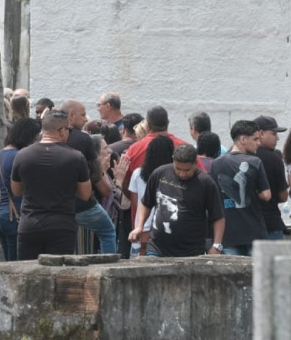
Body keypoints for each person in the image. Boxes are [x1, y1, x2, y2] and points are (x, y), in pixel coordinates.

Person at [11, 110, 91, 259]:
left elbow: (16, 190)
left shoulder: (22, 155)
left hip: (30, 223)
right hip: (62, 225)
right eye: (69, 130)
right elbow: (85, 194)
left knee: (28, 275)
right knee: (59, 276)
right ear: (62, 131)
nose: (69, 134)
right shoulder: (75, 157)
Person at [130, 144, 225, 256]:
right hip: (157, 247)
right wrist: (139, 226)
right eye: (178, 169)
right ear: (173, 159)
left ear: (195, 163)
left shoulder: (206, 183)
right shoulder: (160, 174)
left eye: (187, 170)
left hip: (191, 251)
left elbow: (218, 216)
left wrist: (216, 245)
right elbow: (146, 203)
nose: (182, 174)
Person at [58, 100, 116, 254]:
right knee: (108, 231)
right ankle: (107, 267)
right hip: (82, 203)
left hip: (56, 203)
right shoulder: (84, 139)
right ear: (70, 116)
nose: (85, 119)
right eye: (83, 115)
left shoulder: (47, 139)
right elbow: (96, 173)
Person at [209, 121, 271, 255]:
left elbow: (213, 197)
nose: (258, 143)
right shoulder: (255, 162)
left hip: (228, 233)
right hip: (253, 231)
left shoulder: (216, 164)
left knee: (231, 275)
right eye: (255, 139)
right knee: (257, 274)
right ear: (243, 139)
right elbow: (266, 195)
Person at [0, 118, 39, 261]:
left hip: (2, 215)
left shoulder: (0, 154)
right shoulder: (19, 156)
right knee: (16, 267)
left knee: (9, 265)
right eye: (35, 138)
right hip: (15, 215)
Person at [128, 135, 175, 252]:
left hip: (141, 227)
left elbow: (135, 204)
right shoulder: (173, 176)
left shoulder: (138, 174)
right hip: (165, 229)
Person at [253, 116, 290, 240]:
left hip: (247, 224)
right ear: (261, 133)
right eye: (274, 134)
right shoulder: (274, 159)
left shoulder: (242, 156)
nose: (277, 138)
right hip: (271, 223)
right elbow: (283, 196)